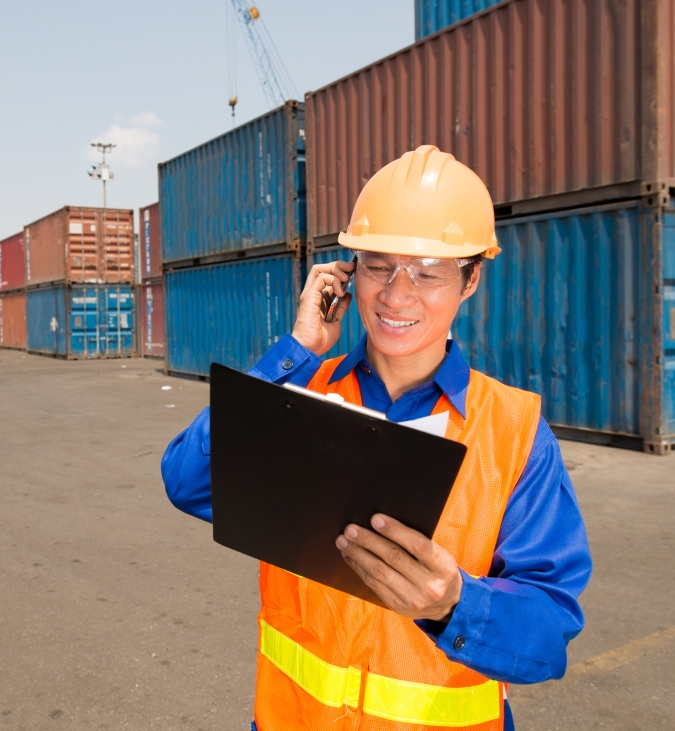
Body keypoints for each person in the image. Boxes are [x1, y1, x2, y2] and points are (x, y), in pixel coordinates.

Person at [161, 146, 592, 731]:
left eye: (428, 272)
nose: (396, 294)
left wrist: (455, 604)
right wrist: (292, 353)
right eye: (377, 265)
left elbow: (549, 631)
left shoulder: (512, 432)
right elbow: (187, 480)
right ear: (347, 273)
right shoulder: (299, 393)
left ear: (470, 280)